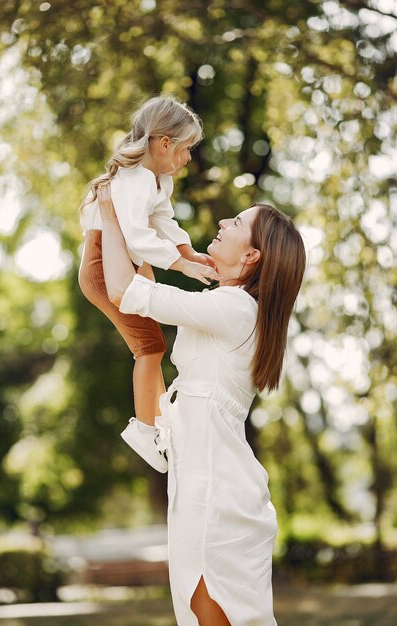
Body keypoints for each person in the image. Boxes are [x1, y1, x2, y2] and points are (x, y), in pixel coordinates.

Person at [97, 183, 306, 626]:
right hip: (201, 486)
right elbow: (142, 287)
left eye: (237, 222)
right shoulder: (223, 305)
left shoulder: (236, 309)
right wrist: (143, 219)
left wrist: (113, 216)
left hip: (215, 495)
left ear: (252, 255)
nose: (224, 222)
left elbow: (124, 290)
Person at [78, 95, 218, 473]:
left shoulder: (156, 181)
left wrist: (189, 253)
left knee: (150, 344)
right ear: (164, 143)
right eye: (186, 149)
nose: (189, 158)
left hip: (125, 265)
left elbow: (165, 222)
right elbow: (139, 238)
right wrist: (183, 267)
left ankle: (158, 424)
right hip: (102, 267)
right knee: (150, 346)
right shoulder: (134, 180)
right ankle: (145, 429)